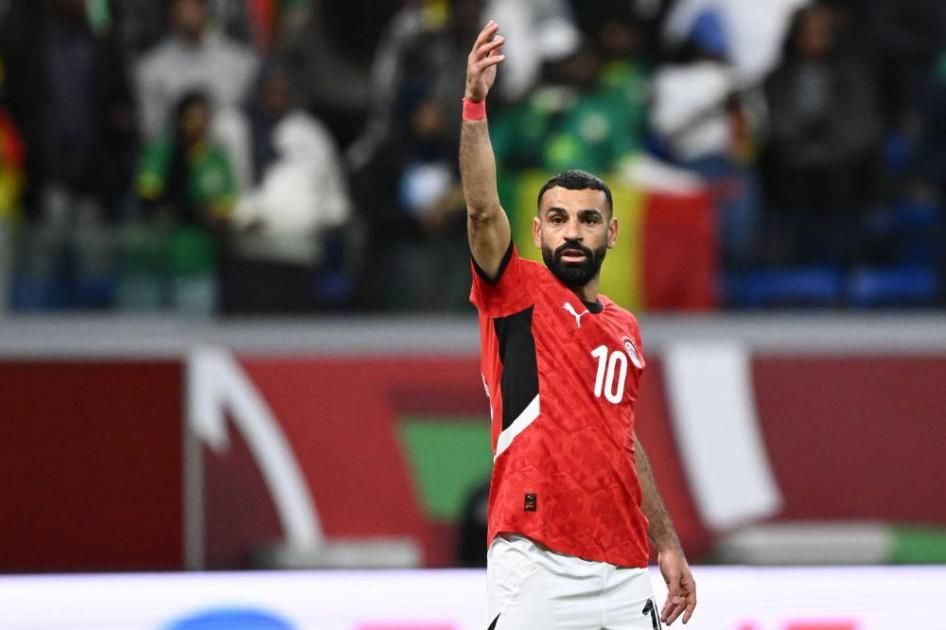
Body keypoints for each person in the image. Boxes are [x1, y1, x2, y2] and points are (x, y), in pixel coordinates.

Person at [461, 21, 696, 628]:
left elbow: (624, 441)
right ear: (536, 231)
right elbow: (482, 210)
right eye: (558, 219)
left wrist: (666, 543)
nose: (572, 231)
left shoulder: (625, 327)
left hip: (624, 568)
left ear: (611, 233)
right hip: (537, 561)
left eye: (588, 220)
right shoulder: (515, 292)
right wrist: (475, 107)